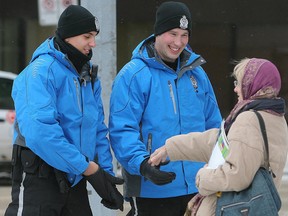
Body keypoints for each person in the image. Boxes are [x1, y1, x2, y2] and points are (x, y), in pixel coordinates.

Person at [5, 5, 123, 216]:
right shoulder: (40, 72)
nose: (93, 43)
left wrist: (105, 177)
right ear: (68, 36)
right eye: (87, 36)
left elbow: (97, 129)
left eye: (94, 36)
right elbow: (41, 134)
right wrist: (89, 169)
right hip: (39, 177)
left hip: (74, 176)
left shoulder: (88, 76)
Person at [108, 1, 222, 215]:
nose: (178, 42)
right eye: (172, 33)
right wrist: (143, 165)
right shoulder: (133, 75)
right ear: (158, 32)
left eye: (184, 35)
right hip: (153, 190)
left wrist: (218, 166)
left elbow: (214, 126)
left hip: (199, 187)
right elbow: (122, 130)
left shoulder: (197, 73)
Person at [149, 58, 288, 216]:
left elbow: (237, 175)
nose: (235, 89)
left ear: (251, 84)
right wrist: (172, 147)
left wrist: (203, 177)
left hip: (229, 209)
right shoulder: (274, 116)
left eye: (239, 83)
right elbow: (221, 143)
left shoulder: (249, 119)